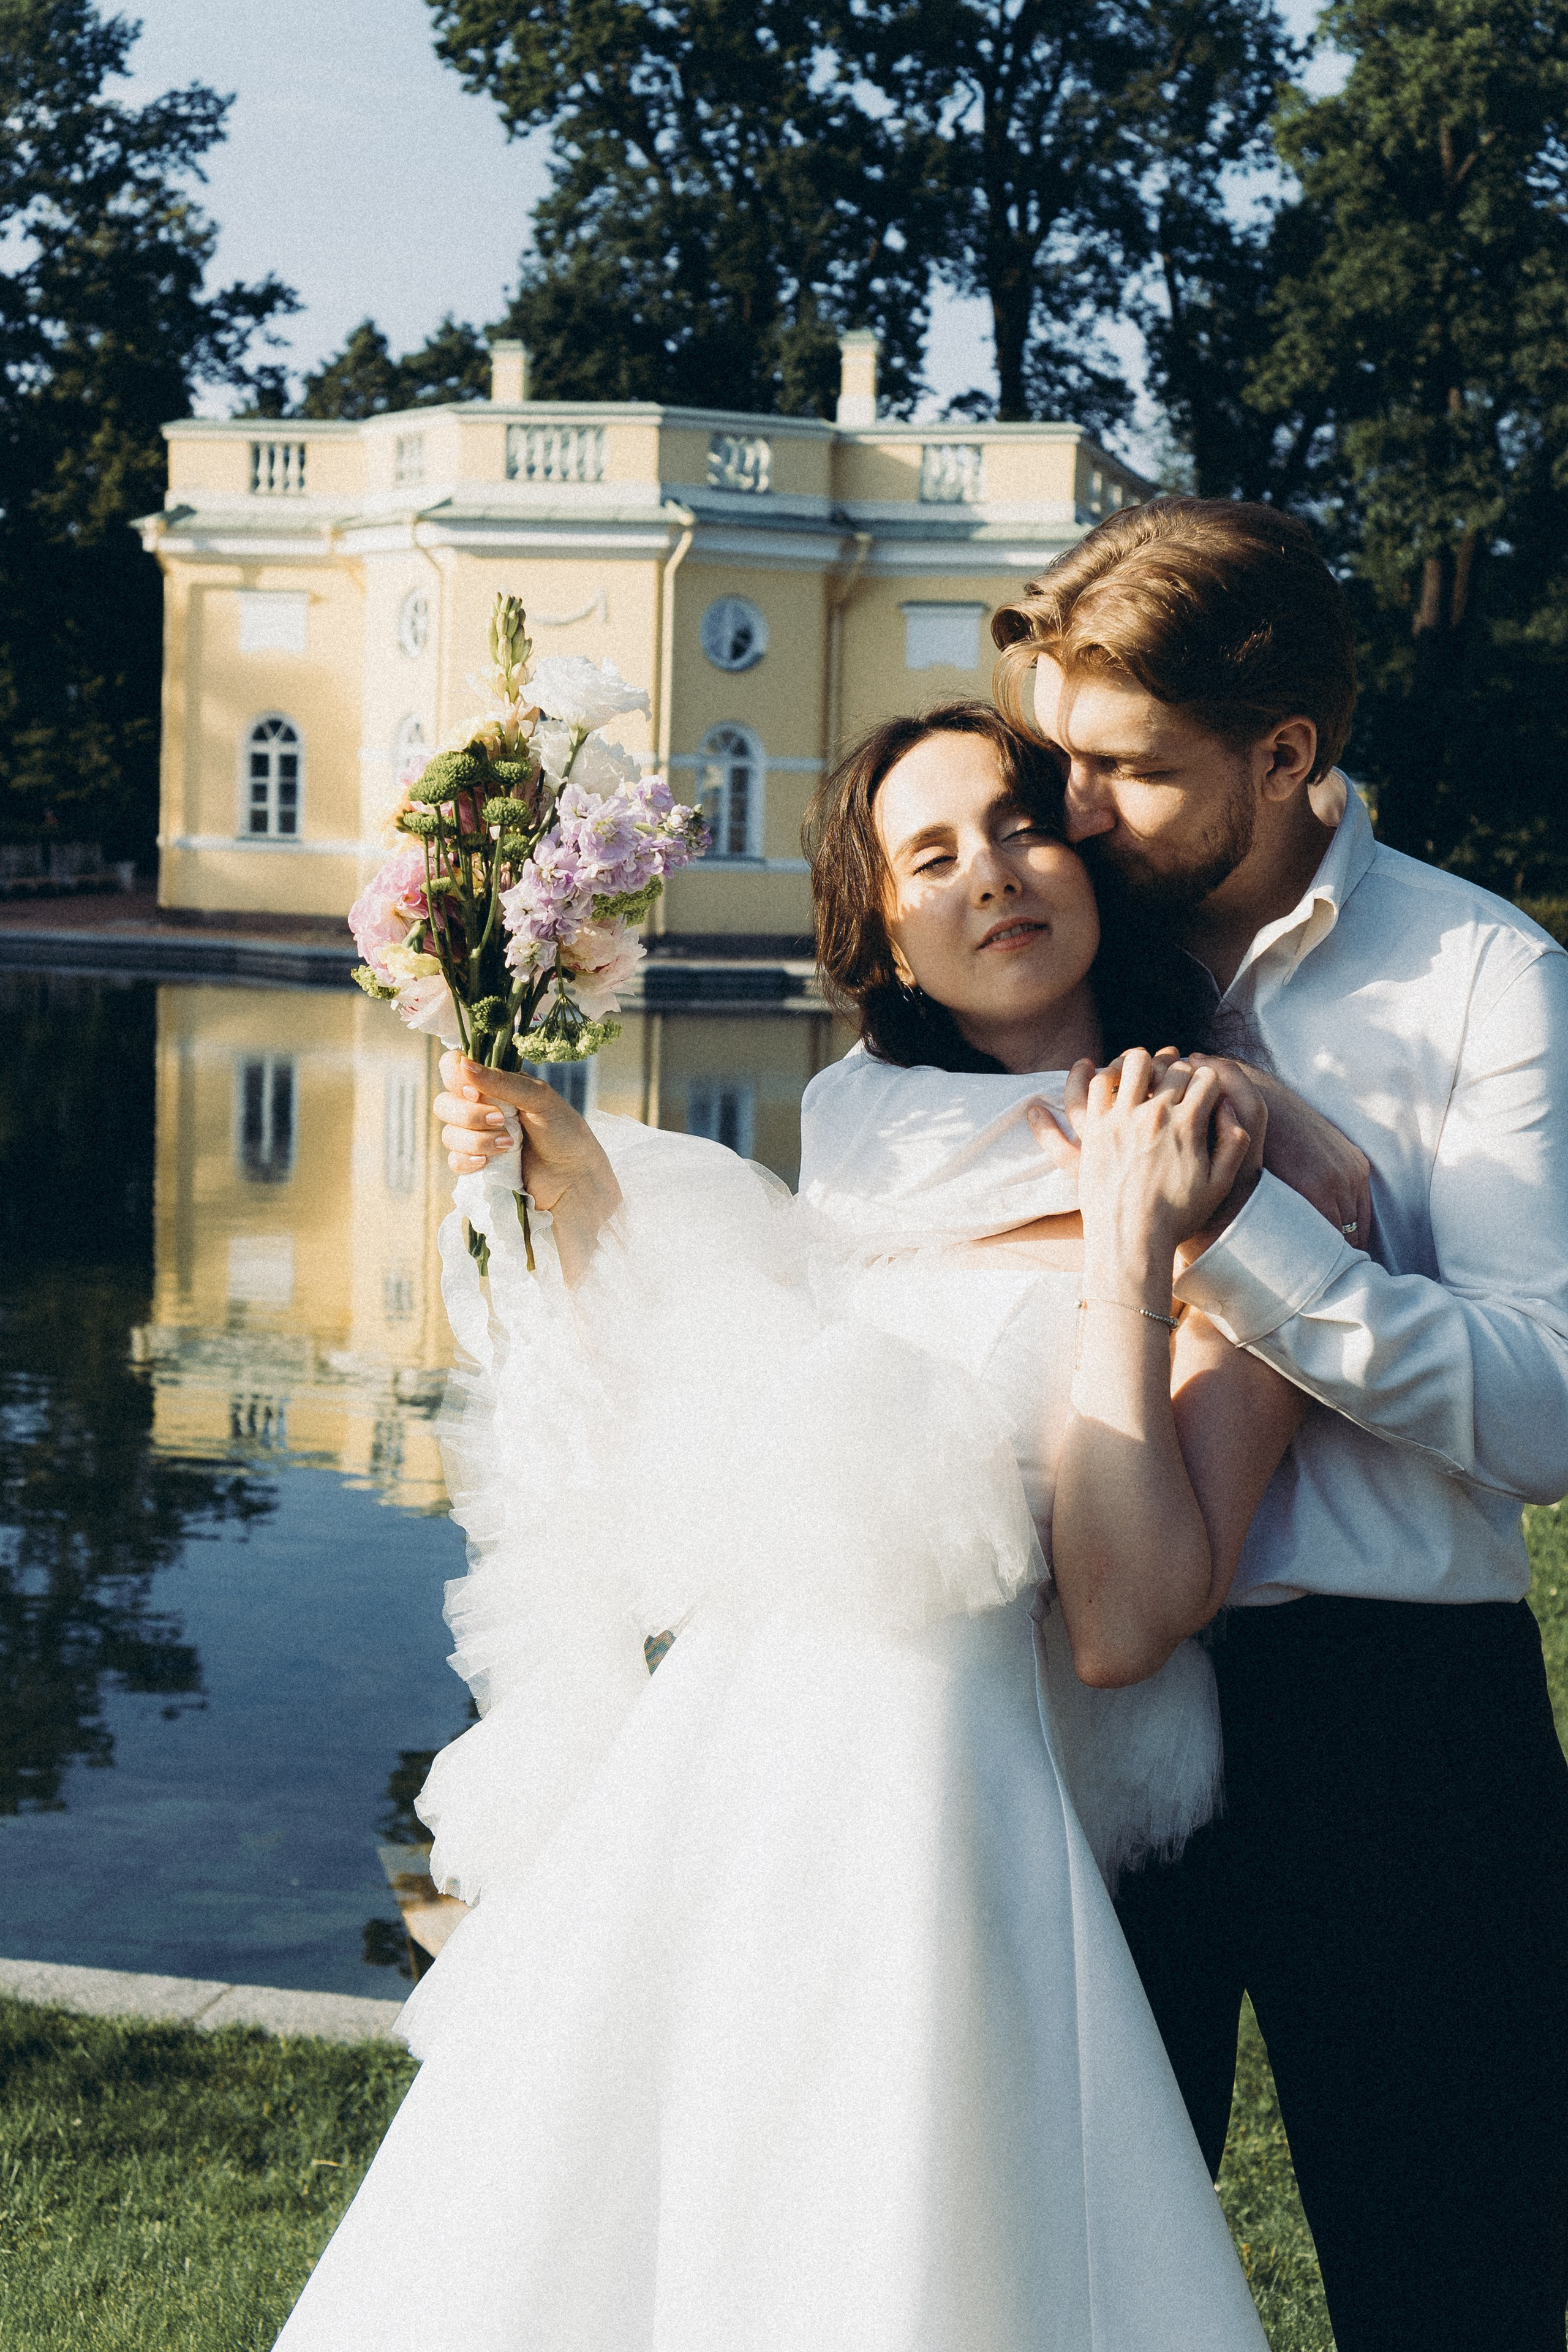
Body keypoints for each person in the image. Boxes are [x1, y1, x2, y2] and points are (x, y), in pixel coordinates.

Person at [273, 701, 1332, 2350]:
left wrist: (1129, 1253)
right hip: (737, 1769)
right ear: (886, 927)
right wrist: (578, 1195)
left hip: (952, 1801)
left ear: (1091, 860)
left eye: (1021, 825)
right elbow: (737, 1453)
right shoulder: (854, 1135)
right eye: (931, 855)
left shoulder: (1223, 1138)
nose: (991, 876)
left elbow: (1132, 1620)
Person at [993, 495, 1568, 2352]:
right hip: (1079, 1711)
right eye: (1057, 757)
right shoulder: (1030, 975)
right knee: (1062, 2278)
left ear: (1287, 755)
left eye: (1124, 772)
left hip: (1401, 1715)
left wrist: (1246, 1241)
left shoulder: (1488, 979)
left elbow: (1550, 1408)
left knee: (1448, 2289)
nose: (1065, 815)